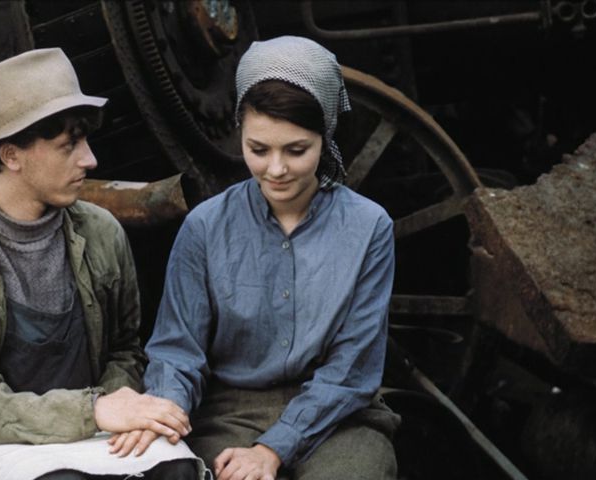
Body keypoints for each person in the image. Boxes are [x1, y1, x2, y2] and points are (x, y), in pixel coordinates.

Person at [0, 48, 201, 480]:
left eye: (85, 140)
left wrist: (120, 409)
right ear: (11, 156)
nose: (90, 159)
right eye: (68, 145)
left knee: (176, 468)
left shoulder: (101, 232)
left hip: (86, 429)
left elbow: (125, 349)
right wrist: (94, 410)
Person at [109, 36, 401, 479]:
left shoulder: (368, 227)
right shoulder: (205, 226)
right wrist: (163, 412)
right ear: (240, 134)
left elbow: (352, 369)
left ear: (324, 137)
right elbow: (177, 349)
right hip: (227, 414)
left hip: (339, 417)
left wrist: (272, 449)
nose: (276, 169)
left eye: (296, 150)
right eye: (258, 149)